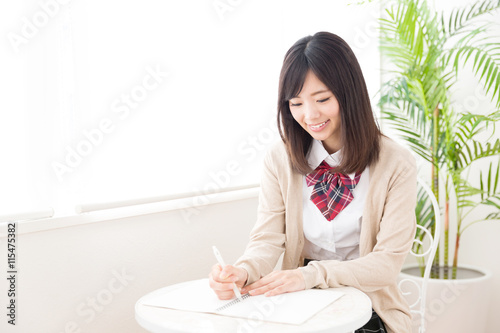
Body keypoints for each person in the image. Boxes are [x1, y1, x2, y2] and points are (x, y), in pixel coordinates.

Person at [208, 31, 417, 333]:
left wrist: (312, 275)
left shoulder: (396, 163)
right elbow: (267, 239)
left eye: (322, 99)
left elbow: (386, 264)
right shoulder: (279, 159)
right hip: (299, 302)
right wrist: (242, 271)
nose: (310, 115)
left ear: (349, 93)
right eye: (296, 103)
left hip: (368, 305)